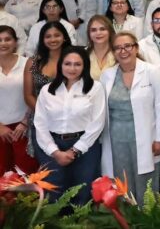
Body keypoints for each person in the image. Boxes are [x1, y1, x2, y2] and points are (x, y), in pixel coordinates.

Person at [100, 32, 160, 204]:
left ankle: (147, 215)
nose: (123, 51)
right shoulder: (107, 75)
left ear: (136, 48)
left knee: (146, 182)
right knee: (122, 180)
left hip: (147, 137)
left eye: (127, 46)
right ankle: (126, 216)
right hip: (116, 138)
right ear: (113, 52)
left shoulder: (152, 71)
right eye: (118, 48)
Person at [34, 46, 106, 205]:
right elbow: (40, 123)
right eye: (67, 64)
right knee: (53, 195)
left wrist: (75, 150)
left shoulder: (95, 88)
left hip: (85, 147)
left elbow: (97, 123)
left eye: (77, 64)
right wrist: (55, 152)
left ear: (85, 66)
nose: (72, 69)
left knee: (83, 193)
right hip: (52, 147)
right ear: (60, 65)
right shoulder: (47, 90)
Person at [23, 22, 73, 157]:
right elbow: (28, 95)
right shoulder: (33, 62)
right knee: (48, 165)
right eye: (48, 36)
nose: (52, 39)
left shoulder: (74, 59)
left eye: (57, 35)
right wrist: (46, 114)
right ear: (42, 39)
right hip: (42, 121)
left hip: (71, 121)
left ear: (64, 37)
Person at [0, 26, 38, 174]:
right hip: (1, 129)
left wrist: (25, 122)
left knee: (27, 174)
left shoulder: (28, 63)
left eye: (7, 39)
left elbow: (36, 94)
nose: (3, 43)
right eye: (0, 40)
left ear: (15, 42)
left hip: (24, 128)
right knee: (3, 176)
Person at [86, 15, 116, 81]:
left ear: (110, 32)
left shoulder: (119, 53)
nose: (98, 33)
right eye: (93, 30)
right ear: (89, 34)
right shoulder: (83, 54)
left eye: (102, 29)